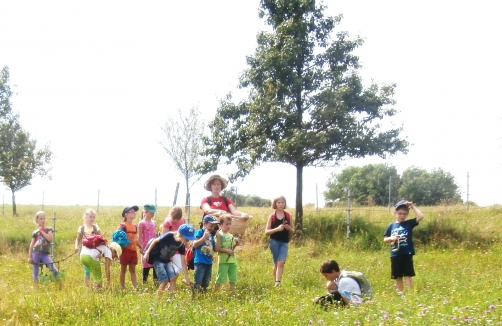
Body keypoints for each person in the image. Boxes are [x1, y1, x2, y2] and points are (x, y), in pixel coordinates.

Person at [142, 224, 195, 299]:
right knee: (164, 281)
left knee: (173, 279)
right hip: (158, 260)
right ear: (180, 234)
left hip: (167, 261)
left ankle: (171, 299)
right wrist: (147, 252)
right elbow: (155, 241)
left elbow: (183, 262)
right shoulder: (169, 235)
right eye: (186, 238)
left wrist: (187, 278)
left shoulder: (181, 245)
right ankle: (157, 300)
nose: (187, 241)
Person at [383, 200, 424, 293]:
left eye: (404, 214)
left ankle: (410, 293)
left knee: (408, 274)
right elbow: (385, 239)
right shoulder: (391, 226)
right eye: (400, 213)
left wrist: (412, 206)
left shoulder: (409, 223)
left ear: (407, 214)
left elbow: (421, 216)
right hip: (395, 254)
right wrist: (391, 238)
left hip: (407, 253)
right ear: (395, 213)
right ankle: (400, 293)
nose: (402, 216)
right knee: (398, 275)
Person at [265, 195, 294, 287]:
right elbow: (266, 232)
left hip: (284, 242)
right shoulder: (272, 216)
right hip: (274, 242)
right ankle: (276, 281)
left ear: (285, 204)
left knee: (281, 262)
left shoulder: (288, 215)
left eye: (282, 202)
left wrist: (289, 228)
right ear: (275, 204)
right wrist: (277, 229)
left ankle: (278, 282)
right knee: (276, 263)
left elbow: (293, 230)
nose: (281, 204)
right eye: (279, 202)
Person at [28, 211, 60, 288]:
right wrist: (30, 256)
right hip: (35, 253)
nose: (43, 220)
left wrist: (41, 231)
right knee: (35, 272)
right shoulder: (35, 232)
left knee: (53, 269)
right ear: (37, 220)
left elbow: (49, 238)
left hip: (44, 254)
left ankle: (59, 285)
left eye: (44, 218)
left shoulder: (48, 229)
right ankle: (36, 289)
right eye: (41, 218)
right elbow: (32, 245)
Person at [74, 208, 101, 286]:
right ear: (86, 217)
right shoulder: (81, 228)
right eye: (90, 216)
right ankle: (87, 287)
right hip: (85, 252)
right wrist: (76, 247)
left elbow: (100, 238)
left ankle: (97, 286)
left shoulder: (96, 227)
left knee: (96, 269)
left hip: (95, 251)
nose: (92, 218)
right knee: (87, 270)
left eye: (93, 217)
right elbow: (78, 239)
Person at [193, 215, 220, 293]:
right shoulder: (200, 232)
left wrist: (218, 238)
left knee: (206, 282)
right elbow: (195, 244)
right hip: (200, 261)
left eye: (214, 226)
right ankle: (196, 294)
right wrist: (204, 238)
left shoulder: (211, 236)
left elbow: (216, 249)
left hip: (208, 262)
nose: (212, 228)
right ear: (204, 224)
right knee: (198, 280)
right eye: (211, 225)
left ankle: (203, 294)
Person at [117, 205, 142, 289]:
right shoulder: (123, 226)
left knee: (132, 269)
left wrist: (140, 247)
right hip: (125, 250)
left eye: (134, 212)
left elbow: (135, 239)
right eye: (131, 212)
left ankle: (135, 286)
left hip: (133, 251)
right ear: (126, 214)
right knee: (123, 269)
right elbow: (116, 237)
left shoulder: (135, 226)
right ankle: (122, 286)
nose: (134, 213)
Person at [160, 206, 186, 285]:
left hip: (180, 247)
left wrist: (187, 245)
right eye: (174, 218)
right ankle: (171, 284)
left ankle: (171, 282)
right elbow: (163, 239)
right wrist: (168, 254)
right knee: (171, 268)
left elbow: (184, 235)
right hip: (169, 249)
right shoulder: (167, 223)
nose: (176, 220)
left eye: (178, 218)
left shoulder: (182, 221)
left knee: (180, 267)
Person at [214, 215, 239, 292]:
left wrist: (236, 244)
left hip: (232, 260)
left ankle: (232, 292)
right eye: (227, 224)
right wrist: (227, 251)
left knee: (233, 278)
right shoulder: (219, 235)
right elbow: (217, 248)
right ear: (220, 225)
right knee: (221, 277)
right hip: (223, 260)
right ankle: (216, 293)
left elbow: (231, 248)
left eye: (230, 224)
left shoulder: (231, 235)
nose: (229, 226)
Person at [138, 204, 158, 284]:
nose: (153, 214)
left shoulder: (154, 222)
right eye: (151, 212)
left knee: (155, 264)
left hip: (153, 246)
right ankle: (144, 281)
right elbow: (139, 236)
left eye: (153, 213)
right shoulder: (141, 223)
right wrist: (141, 247)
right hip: (145, 246)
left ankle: (155, 282)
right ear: (145, 212)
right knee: (146, 264)